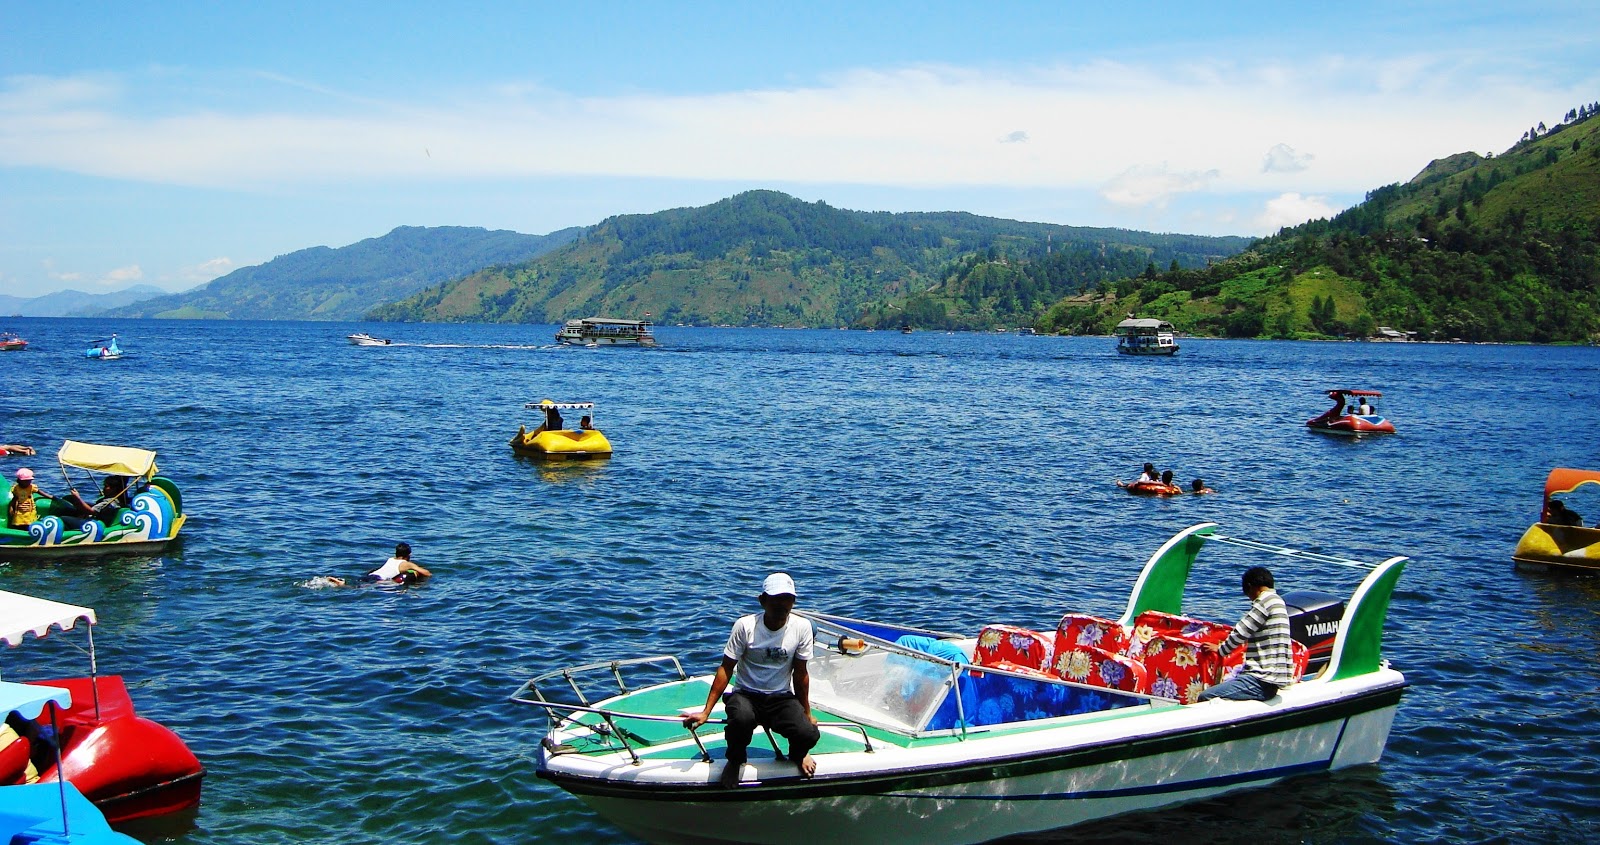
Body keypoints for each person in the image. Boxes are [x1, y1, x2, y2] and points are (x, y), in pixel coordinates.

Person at [682, 572, 819, 788]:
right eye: (775, 599)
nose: (781, 605)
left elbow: (800, 674)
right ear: (762, 600)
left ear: (793, 601)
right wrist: (706, 711)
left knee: (808, 734)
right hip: (746, 694)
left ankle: (798, 754)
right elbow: (726, 668)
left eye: (787, 599)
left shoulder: (802, 628)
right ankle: (735, 761)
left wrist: (807, 713)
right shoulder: (745, 626)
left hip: (780, 697)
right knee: (741, 719)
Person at [1199, 567, 1295, 702]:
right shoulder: (1278, 601)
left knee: (1205, 696)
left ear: (1250, 587)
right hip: (1273, 680)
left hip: (1260, 680)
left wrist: (1221, 650)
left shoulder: (1265, 601)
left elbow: (1241, 632)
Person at [326, 542, 433, 586]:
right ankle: (342, 585)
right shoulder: (405, 564)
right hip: (378, 579)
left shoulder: (391, 559)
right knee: (358, 588)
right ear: (409, 555)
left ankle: (341, 582)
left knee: (358, 583)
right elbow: (427, 573)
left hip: (371, 574)